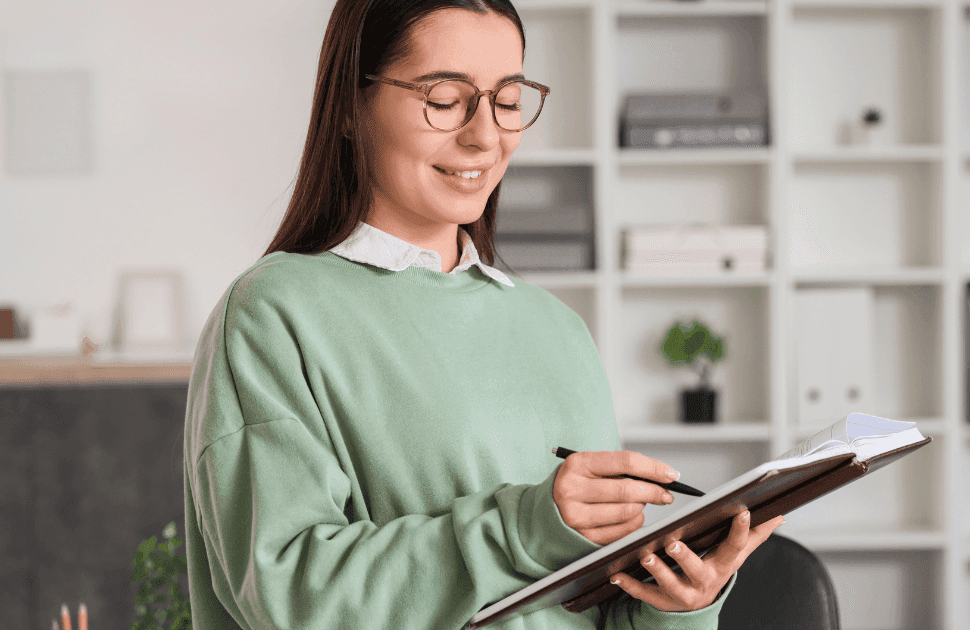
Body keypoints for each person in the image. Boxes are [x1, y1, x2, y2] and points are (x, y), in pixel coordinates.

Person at [181, 1, 783, 628]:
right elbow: (291, 598)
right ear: (352, 107)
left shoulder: (557, 328)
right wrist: (524, 527)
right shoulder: (271, 316)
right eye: (444, 97)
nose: (485, 135)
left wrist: (678, 604)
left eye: (508, 99)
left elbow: (587, 610)